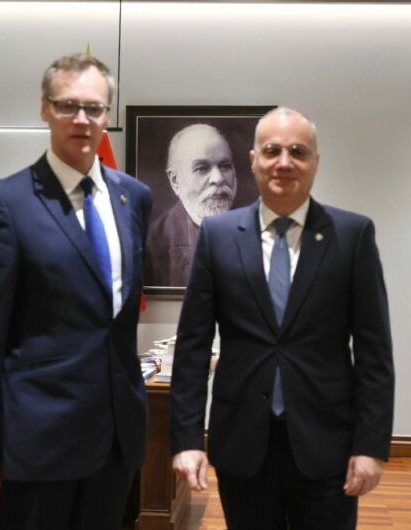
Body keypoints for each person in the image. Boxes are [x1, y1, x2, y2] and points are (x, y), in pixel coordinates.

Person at [169, 107, 394, 529]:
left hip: (328, 445)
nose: (284, 162)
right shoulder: (218, 237)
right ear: (254, 160)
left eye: (298, 152)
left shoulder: (352, 235)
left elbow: (374, 352)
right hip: (242, 444)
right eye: (272, 151)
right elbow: (193, 347)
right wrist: (186, 439)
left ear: (315, 162)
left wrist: (371, 446)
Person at [0, 53, 152, 530]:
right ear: (45, 109)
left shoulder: (134, 198)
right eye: (68, 106)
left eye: (94, 108)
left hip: (116, 439)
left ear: (107, 115)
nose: (82, 119)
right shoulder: (6, 203)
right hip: (38, 441)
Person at [145, 124, 237, 287]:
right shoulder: (150, 245)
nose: (218, 178)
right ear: (175, 181)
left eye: (225, 166)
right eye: (202, 168)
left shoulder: (256, 234)